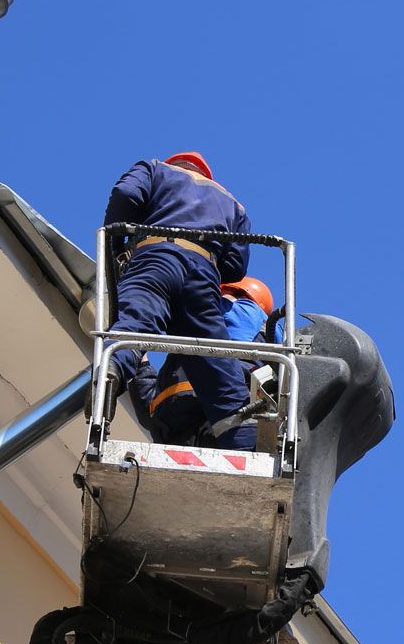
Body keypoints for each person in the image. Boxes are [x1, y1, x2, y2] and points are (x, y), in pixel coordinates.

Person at [103, 152, 255, 449]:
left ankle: (111, 373)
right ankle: (243, 443)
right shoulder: (232, 203)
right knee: (213, 357)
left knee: (135, 324)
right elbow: (236, 266)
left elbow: (126, 194)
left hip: (155, 256)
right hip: (203, 274)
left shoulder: (154, 169)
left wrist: (118, 246)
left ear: (176, 164)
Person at [140, 277, 276, 444]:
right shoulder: (265, 332)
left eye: (225, 294)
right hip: (214, 413)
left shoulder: (247, 311)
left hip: (175, 416)